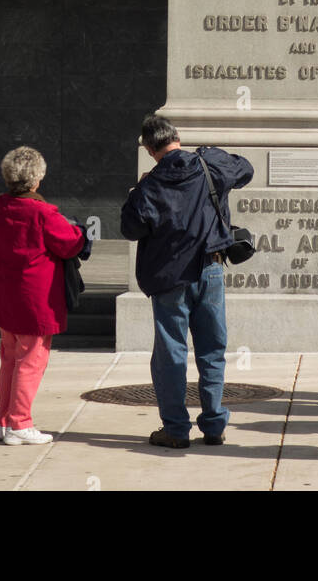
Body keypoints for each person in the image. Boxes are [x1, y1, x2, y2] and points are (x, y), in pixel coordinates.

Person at [120, 115, 253, 449]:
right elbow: (246, 169)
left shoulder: (150, 185)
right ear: (177, 136)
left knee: (171, 353)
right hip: (210, 270)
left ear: (150, 149)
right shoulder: (209, 164)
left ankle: (176, 430)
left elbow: (130, 229)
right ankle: (213, 424)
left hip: (170, 278)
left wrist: (137, 191)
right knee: (212, 349)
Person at [0, 146, 86, 445]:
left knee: (9, 358)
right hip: (35, 300)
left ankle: (3, 421)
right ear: (37, 180)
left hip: (4, 296)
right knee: (31, 360)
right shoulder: (43, 212)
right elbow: (71, 244)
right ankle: (20, 423)